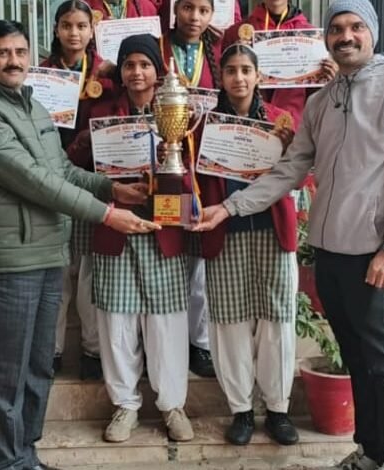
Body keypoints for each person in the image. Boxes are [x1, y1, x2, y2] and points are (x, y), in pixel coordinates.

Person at [193, 0, 384, 468]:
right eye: (337, 28)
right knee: (356, 355)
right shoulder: (323, 102)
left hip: (373, 253)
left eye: (356, 27)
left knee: (382, 359)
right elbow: (290, 169)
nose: (345, 36)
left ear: (372, 32)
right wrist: (228, 207)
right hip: (328, 252)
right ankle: (369, 451)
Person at [0, 20, 159, 470]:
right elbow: (35, 181)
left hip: (48, 252)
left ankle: (25, 455)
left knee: (38, 367)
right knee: (8, 371)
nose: (13, 61)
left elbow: (61, 171)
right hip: (10, 260)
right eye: (2, 53)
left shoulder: (33, 106)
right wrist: (106, 214)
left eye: (20, 52)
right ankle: (6, 462)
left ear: (30, 56)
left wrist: (111, 189)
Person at [68, 33, 195, 443]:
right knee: (116, 321)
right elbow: (74, 166)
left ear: (158, 71)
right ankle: (125, 405)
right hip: (116, 226)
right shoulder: (102, 114)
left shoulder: (179, 111)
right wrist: (92, 146)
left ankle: (172, 404)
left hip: (164, 228)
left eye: (144, 64)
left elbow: (195, 172)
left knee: (166, 320)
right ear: (120, 72)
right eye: (128, 65)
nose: (137, 72)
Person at [196, 43, 298, 446]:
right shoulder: (205, 125)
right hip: (225, 234)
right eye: (231, 71)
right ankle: (240, 409)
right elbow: (195, 180)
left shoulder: (281, 121)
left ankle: (277, 409)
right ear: (220, 78)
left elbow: (301, 175)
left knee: (276, 322)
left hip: (273, 232)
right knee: (230, 324)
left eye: (245, 70)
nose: (238, 78)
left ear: (259, 76)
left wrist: (288, 146)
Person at [41, 0, 111, 380]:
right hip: (50, 178)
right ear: (56, 29)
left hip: (90, 180)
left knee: (88, 273)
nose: (74, 33)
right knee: (56, 269)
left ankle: (92, 351)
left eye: (81, 26)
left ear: (92, 29)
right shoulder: (41, 74)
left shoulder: (106, 74)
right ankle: (50, 351)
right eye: (67, 25)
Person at [159, 0, 222, 377]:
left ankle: (199, 342)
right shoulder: (157, 46)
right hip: (165, 166)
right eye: (187, 7)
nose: (194, 17)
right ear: (174, 9)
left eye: (202, 9)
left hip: (206, 169)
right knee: (168, 251)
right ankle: (166, 343)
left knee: (200, 260)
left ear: (212, 14)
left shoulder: (218, 51)